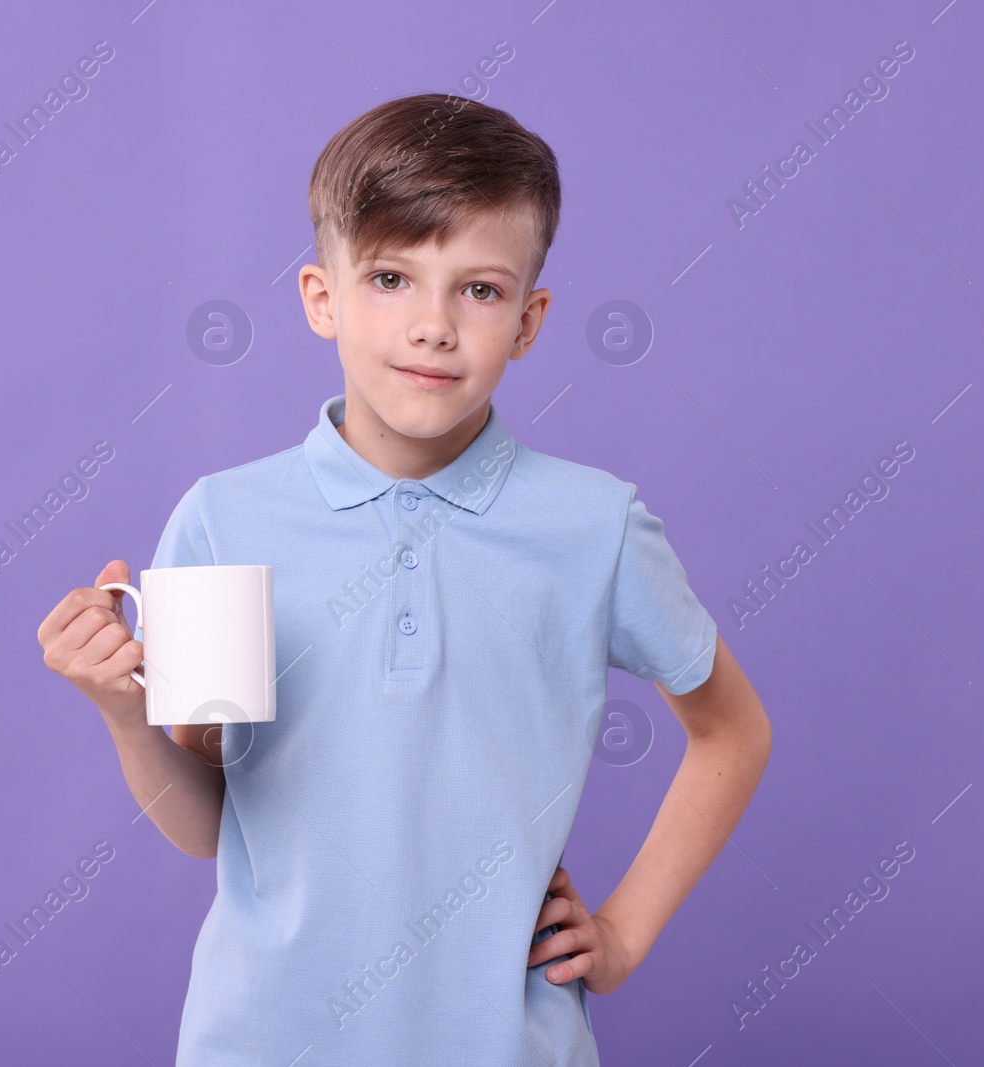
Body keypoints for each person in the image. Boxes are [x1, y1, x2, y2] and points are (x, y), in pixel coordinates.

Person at [37, 91, 771, 1065]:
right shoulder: (225, 519)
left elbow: (731, 728)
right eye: (390, 277)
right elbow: (208, 829)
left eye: (478, 289)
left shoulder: (593, 527)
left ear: (527, 319)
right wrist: (123, 712)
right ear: (320, 296)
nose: (432, 324)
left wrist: (625, 931)